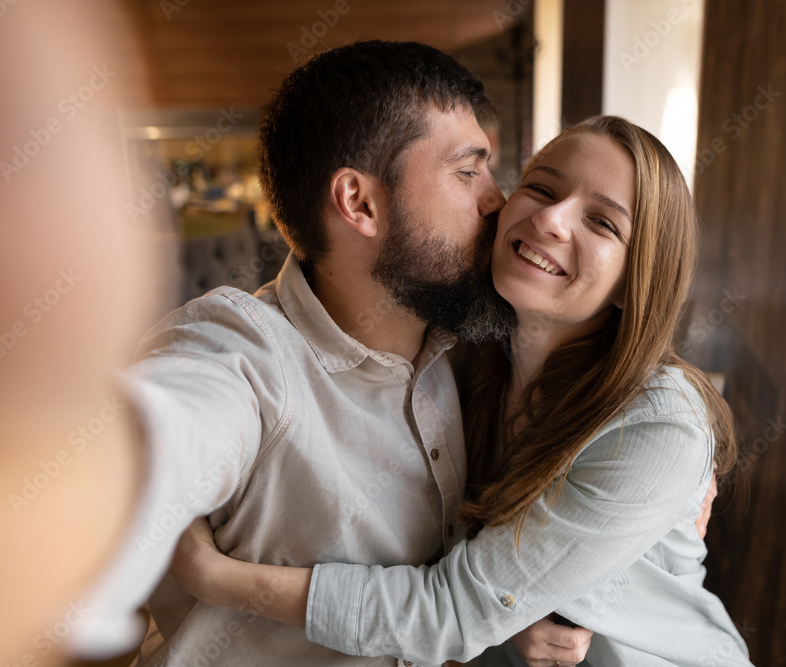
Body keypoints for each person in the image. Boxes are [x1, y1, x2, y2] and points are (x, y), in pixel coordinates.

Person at [169, 116, 754, 666]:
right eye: (543, 189)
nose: (552, 220)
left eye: (602, 222)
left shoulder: (656, 425)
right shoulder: (459, 351)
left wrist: (214, 578)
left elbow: (452, 611)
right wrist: (511, 609)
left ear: (637, 279)